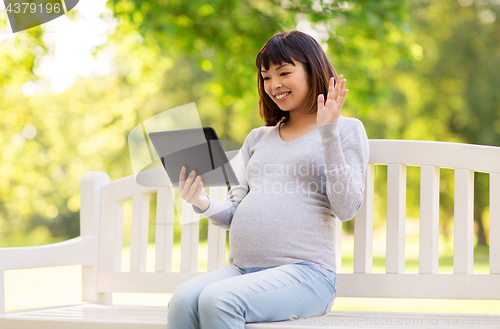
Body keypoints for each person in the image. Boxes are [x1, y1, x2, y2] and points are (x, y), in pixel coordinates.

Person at [166, 30, 370, 329]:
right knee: (183, 300)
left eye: (284, 72)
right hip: (243, 272)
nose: (274, 85)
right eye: (265, 77)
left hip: (307, 275)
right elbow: (235, 212)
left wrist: (328, 131)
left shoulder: (346, 130)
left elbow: (347, 207)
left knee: (219, 300)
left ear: (312, 72)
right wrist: (202, 202)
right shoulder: (257, 138)